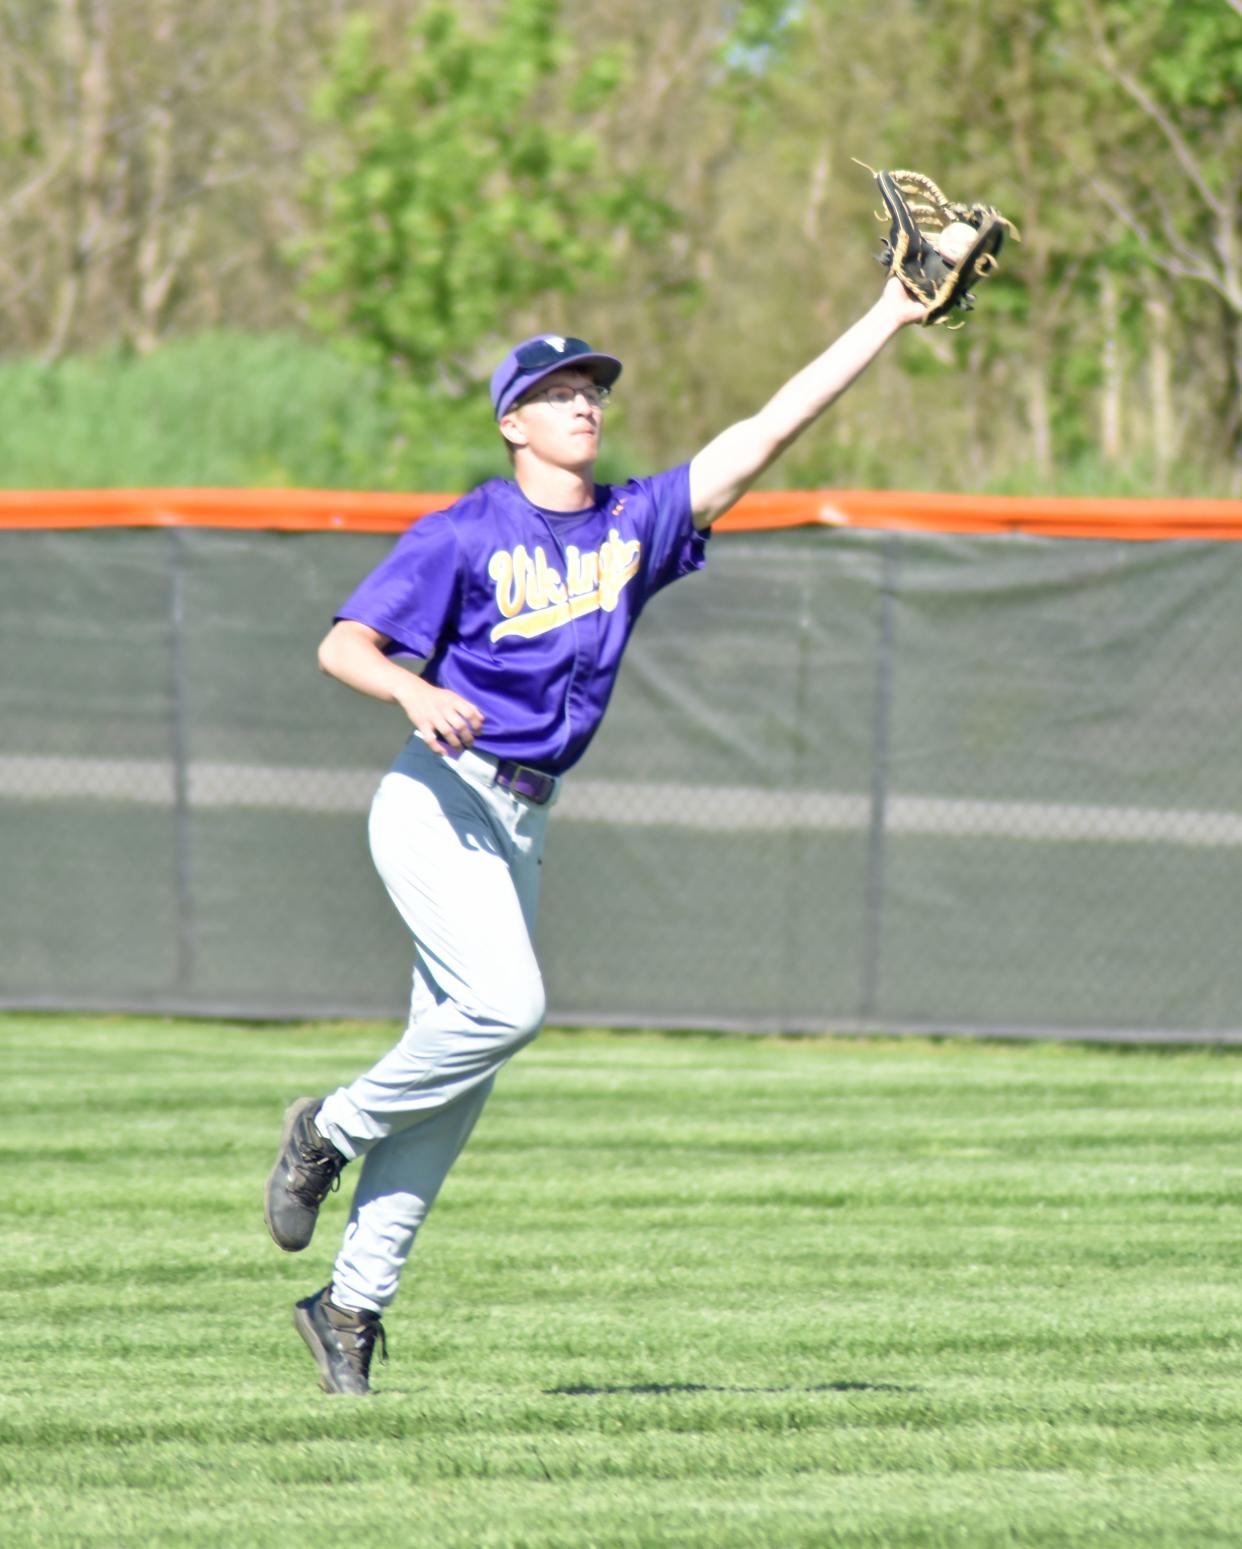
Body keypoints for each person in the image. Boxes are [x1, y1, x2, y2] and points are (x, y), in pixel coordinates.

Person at [265, 274, 928, 1394]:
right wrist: (412, 693)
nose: (583, 404)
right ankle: (326, 1125)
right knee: (509, 1008)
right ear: (511, 421)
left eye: (593, 389)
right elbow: (345, 646)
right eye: (557, 390)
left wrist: (891, 313)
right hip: (439, 798)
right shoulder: (466, 528)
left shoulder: (634, 523)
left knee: (456, 1083)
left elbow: (768, 430)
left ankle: (348, 1308)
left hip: (523, 820)